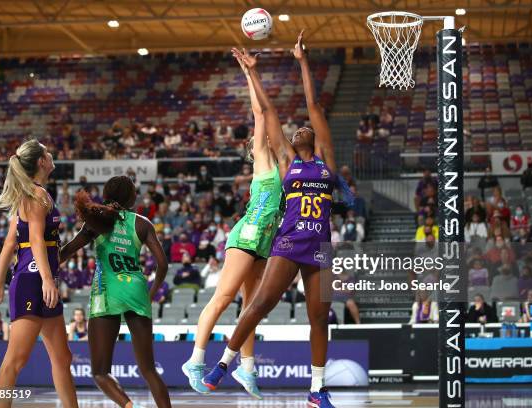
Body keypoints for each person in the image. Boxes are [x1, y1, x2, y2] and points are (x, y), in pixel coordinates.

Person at [204, 33, 340, 407]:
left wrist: (302, 61)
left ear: (312, 137)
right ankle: (224, 362)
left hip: (322, 245)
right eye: (296, 130)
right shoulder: (286, 160)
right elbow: (267, 113)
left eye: (305, 128)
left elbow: (313, 102)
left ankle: (317, 389)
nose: (300, 128)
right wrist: (253, 74)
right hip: (290, 240)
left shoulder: (325, 157)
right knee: (260, 302)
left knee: (319, 318)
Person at [182, 53, 283, 399]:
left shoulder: (289, 169)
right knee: (223, 298)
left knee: (251, 308)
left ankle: (248, 368)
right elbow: (260, 113)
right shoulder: (263, 161)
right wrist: (249, 72)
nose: (265, 138)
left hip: (265, 243)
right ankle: (195, 360)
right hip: (246, 236)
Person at [59, 176, 171, 408]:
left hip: (107, 293)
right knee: (149, 369)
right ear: (132, 198)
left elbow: (66, 252)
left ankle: (130, 406)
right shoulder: (142, 223)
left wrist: (39, 262)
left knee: (100, 371)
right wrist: (150, 294)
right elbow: (162, 264)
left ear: (107, 195)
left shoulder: (97, 222)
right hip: (137, 290)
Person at [0, 139, 79, 408]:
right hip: (32, 281)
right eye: (48, 153)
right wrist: (48, 280)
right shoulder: (36, 195)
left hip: (38, 279)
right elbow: (36, 240)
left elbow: (9, 244)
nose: (51, 155)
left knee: (63, 358)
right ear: (41, 162)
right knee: (15, 361)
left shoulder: (28, 196)